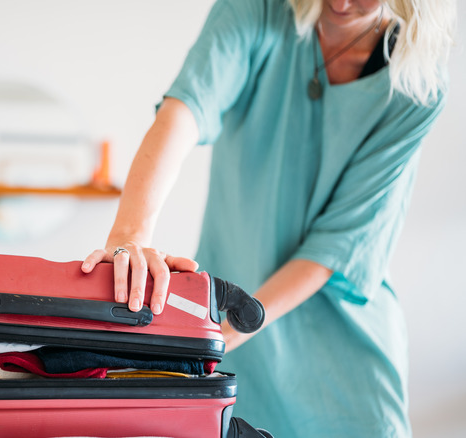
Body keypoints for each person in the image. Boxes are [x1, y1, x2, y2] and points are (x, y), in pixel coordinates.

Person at [81, 0, 456, 436]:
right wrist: (129, 234)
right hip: (231, 334)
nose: (341, 3)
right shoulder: (257, 10)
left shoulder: (417, 86)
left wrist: (220, 337)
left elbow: (334, 246)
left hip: (339, 353)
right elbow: (184, 111)